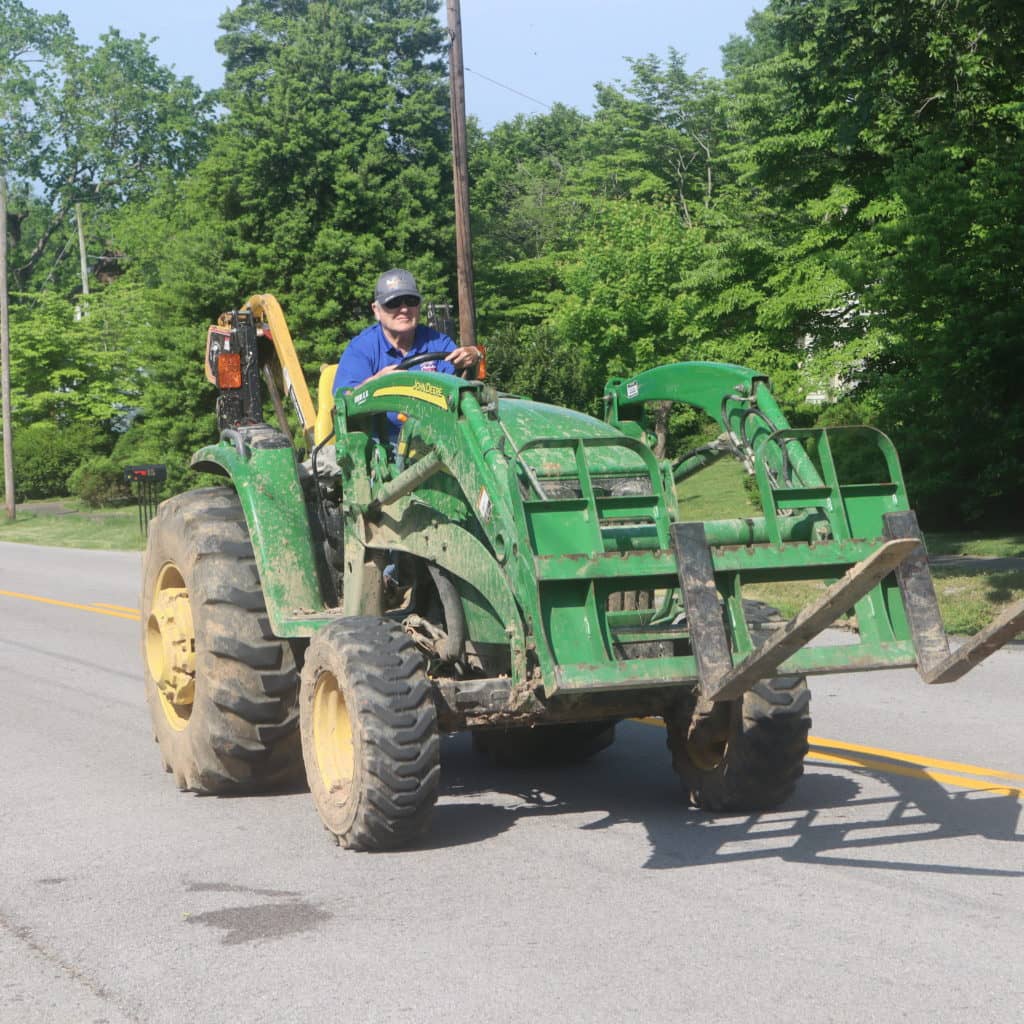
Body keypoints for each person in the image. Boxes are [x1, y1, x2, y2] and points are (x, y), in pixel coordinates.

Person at [333, 268, 481, 393]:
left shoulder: (438, 343)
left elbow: (458, 389)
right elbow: (344, 399)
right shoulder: (361, 348)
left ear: (419, 306)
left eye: (411, 301)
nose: (404, 309)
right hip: (378, 428)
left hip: (431, 425)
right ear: (376, 310)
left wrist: (473, 357)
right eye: (393, 302)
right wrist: (375, 384)